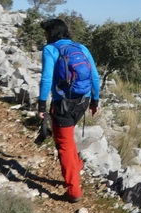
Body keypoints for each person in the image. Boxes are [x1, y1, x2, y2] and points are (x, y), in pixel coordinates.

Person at [37, 18, 99, 202]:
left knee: (63, 145)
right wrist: (95, 101)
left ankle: (74, 191)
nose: (45, 36)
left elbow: (47, 78)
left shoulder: (50, 49)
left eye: (46, 33)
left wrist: (41, 104)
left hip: (62, 104)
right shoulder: (81, 47)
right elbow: (95, 76)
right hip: (83, 101)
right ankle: (77, 165)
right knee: (67, 137)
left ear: (52, 33)